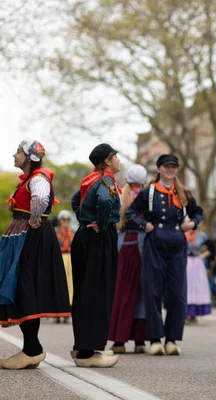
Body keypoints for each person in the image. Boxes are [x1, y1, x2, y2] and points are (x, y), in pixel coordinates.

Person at [0, 139, 70, 370]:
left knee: (23, 285)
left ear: (31, 157)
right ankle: (31, 347)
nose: (14, 155)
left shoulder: (38, 177)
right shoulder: (30, 179)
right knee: (20, 286)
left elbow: (40, 199)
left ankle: (32, 349)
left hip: (30, 234)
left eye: (19, 152)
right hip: (23, 233)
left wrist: (32, 219)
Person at [126, 154, 203, 356]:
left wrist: (193, 223)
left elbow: (198, 212)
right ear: (159, 168)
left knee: (177, 293)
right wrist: (145, 225)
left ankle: (171, 339)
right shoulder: (148, 192)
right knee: (153, 291)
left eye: (173, 167)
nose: (170, 170)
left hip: (178, 244)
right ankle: (155, 339)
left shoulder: (183, 192)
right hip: (155, 243)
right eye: (166, 166)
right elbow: (130, 213)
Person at [70, 143, 122, 368]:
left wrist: (83, 219)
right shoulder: (106, 180)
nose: (119, 160)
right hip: (99, 238)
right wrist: (101, 224)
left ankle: (83, 347)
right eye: (116, 156)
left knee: (85, 292)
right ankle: (90, 352)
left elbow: (75, 200)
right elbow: (103, 201)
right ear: (107, 161)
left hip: (84, 236)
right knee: (99, 291)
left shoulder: (88, 179)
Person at [108, 164, 148, 354]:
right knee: (142, 293)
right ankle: (140, 341)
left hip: (125, 245)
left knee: (123, 292)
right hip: (145, 245)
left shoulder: (121, 194)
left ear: (127, 179)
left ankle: (119, 340)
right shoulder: (149, 195)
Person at [185, 228, 212, 323]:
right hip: (186, 263)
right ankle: (185, 314)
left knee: (196, 288)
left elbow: (211, 248)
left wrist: (202, 256)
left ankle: (193, 314)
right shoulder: (183, 234)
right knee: (186, 287)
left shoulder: (202, 235)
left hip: (197, 264)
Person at [55, 209, 74, 323]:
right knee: (58, 283)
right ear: (59, 220)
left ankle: (68, 312)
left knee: (70, 286)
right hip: (59, 258)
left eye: (68, 219)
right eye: (63, 219)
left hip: (70, 259)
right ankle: (57, 313)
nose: (66, 221)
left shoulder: (73, 232)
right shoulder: (55, 232)